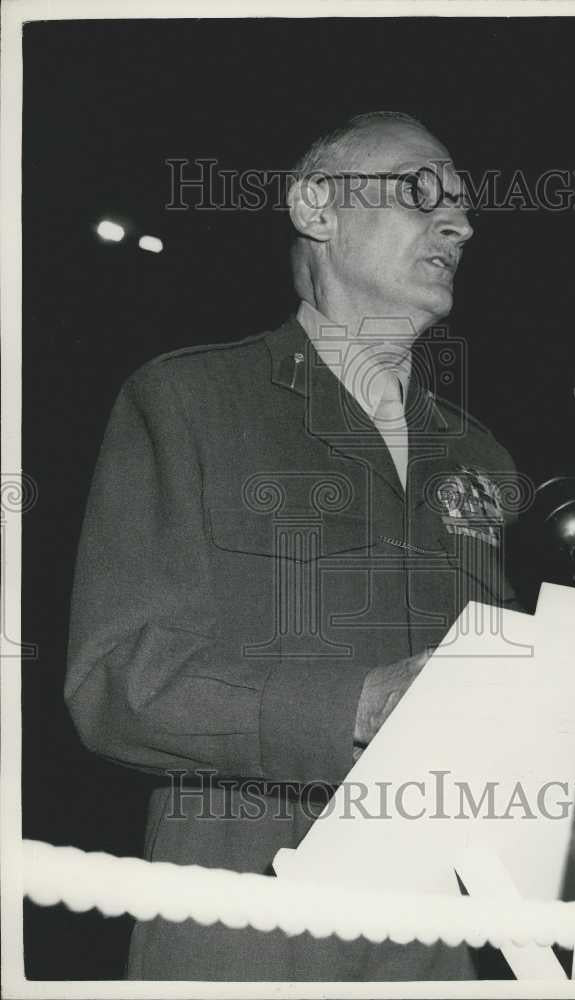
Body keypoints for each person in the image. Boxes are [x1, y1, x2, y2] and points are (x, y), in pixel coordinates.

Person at [65, 111, 522, 981]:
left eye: (463, 206)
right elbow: (116, 678)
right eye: (423, 188)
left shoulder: (479, 456)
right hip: (242, 923)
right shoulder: (190, 402)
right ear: (316, 207)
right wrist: (353, 705)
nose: (458, 222)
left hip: (435, 936)